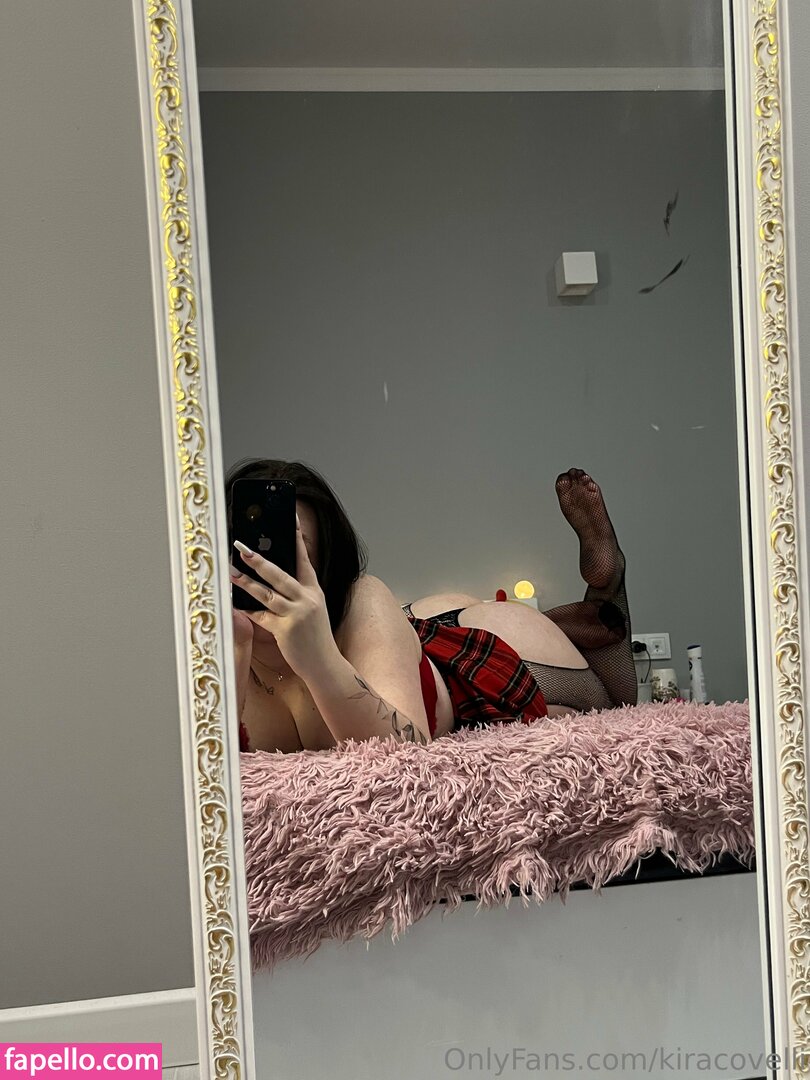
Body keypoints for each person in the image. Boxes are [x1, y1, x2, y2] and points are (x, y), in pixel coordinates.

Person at [228, 460, 637, 753]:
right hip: (412, 629)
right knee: (435, 616)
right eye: (242, 550)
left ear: (326, 566)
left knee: (611, 699)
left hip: (470, 671)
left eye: (288, 554)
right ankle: (569, 619)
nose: (261, 566)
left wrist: (317, 658)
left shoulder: (360, 598)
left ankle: (605, 590)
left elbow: (406, 759)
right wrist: (235, 649)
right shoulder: (218, 639)